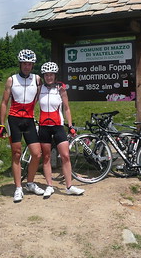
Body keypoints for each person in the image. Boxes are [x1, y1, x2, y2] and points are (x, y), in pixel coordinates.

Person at [0, 49, 44, 202]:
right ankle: (18, 187)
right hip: (14, 120)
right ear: (20, 64)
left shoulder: (37, 79)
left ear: (33, 65)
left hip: (29, 120)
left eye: (30, 64)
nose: (27, 66)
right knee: (16, 154)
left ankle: (30, 183)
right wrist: (1, 124)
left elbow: (38, 98)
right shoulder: (11, 80)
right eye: (24, 63)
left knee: (37, 154)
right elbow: (4, 102)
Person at [38, 61, 85, 198]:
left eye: (51, 74)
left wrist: (70, 125)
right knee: (46, 157)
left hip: (58, 126)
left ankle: (69, 186)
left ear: (55, 75)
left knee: (65, 156)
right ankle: (49, 185)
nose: (49, 77)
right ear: (43, 76)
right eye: (46, 75)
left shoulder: (61, 89)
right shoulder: (39, 89)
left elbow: (66, 108)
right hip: (44, 127)